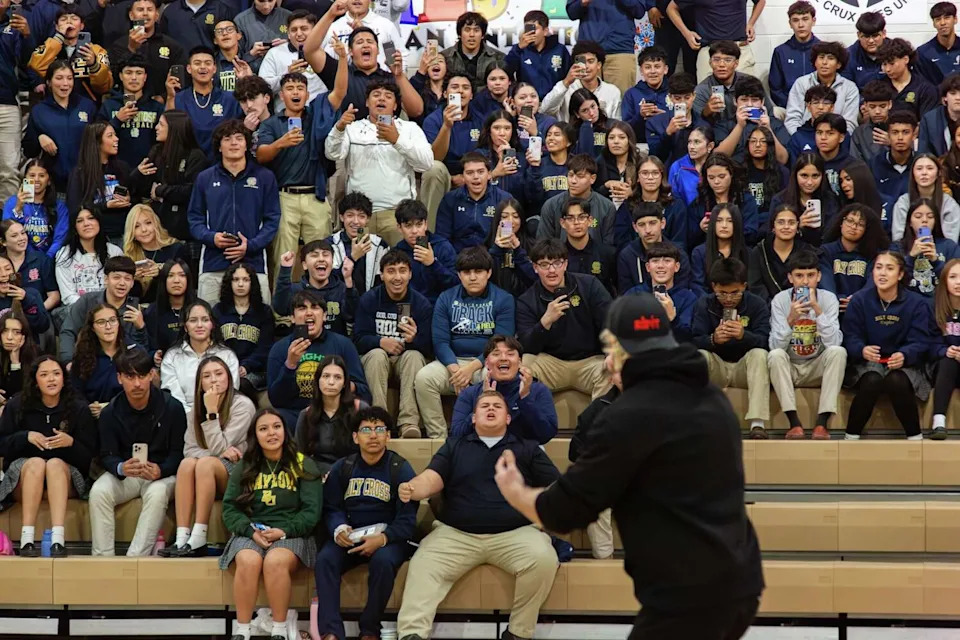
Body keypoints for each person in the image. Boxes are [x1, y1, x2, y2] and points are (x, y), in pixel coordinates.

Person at [492, 294, 764, 639]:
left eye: (610, 348)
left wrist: (517, 492)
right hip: (739, 578)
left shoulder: (628, 415)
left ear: (620, 350)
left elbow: (565, 512)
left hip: (689, 593)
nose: (607, 361)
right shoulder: (711, 399)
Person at [396, 390, 560, 640]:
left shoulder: (527, 448)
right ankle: (412, 634)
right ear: (473, 418)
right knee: (422, 564)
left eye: (497, 406)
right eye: (484, 406)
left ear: (508, 418)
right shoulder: (454, 445)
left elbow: (554, 485)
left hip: (515, 534)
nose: (491, 409)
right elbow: (432, 478)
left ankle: (518, 632)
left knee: (544, 558)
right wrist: (414, 487)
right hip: (456, 535)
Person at [315, 405, 417, 640]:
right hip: (352, 536)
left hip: (388, 539)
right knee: (326, 559)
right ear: (355, 437)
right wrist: (339, 528)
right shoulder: (344, 467)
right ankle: (331, 632)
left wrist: (383, 538)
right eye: (366, 429)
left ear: (388, 435)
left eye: (379, 429)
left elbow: (407, 520)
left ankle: (370, 630)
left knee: (383, 562)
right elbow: (332, 508)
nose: (373, 435)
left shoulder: (400, 468)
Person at [220, 408, 322, 640]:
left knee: (276, 561)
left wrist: (284, 531)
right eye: (263, 429)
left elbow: (311, 512)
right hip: (251, 531)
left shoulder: (303, 464)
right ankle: (242, 630)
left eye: (276, 427)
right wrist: (249, 531)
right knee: (247, 559)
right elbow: (229, 508)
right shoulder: (245, 465)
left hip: (292, 532)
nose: (271, 433)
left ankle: (279, 629)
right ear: (255, 435)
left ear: (285, 431)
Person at [89, 347, 186, 556]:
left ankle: (135, 559)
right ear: (119, 378)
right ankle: (103, 560)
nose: (137, 383)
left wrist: (161, 469)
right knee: (99, 492)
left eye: (142, 375)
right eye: (130, 376)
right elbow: (106, 454)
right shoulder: (110, 412)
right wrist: (121, 467)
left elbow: (179, 454)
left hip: (162, 474)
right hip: (129, 474)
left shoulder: (173, 408)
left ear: (152, 375)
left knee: (157, 493)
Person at [0, 356, 97, 558]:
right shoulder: (18, 405)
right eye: (44, 375)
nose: (51, 379)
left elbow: (90, 457)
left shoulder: (78, 407)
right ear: (35, 380)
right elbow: (3, 445)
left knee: (53, 464)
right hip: (24, 477)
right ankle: (26, 540)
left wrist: (71, 443)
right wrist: (25, 437)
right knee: (36, 463)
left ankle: (57, 540)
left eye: (56, 374)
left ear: (64, 378)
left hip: (64, 476)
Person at [414, 246, 515, 439]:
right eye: (467, 272)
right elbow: (441, 341)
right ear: (459, 275)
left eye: (478, 271)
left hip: (487, 363)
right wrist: (455, 370)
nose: (473, 277)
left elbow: (501, 344)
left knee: (497, 374)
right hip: (452, 363)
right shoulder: (446, 298)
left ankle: (485, 436)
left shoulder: (504, 299)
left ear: (489, 273)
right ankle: (439, 438)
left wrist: (469, 370)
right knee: (424, 378)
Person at [257, 69, 345, 284]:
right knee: (283, 257)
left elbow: (340, 91)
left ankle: (321, 306)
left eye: (300, 88)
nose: (295, 92)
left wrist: (342, 59)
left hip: (315, 195)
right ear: (281, 95)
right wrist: (281, 143)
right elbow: (260, 155)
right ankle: (282, 315)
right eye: (289, 88)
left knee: (322, 257)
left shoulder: (317, 116)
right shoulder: (271, 123)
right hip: (284, 197)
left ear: (307, 94)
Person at [163, 356, 255, 557]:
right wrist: (216, 452)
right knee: (187, 464)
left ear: (229, 378)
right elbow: (190, 450)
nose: (214, 380)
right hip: (206, 469)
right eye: (207, 376)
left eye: (219, 374)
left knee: (204, 464)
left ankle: (199, 537)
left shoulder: (243, 405)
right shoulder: (195, 409)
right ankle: (181, 538)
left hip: (240, 472)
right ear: (200, 383)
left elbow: (221, 445)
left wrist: (212, 413)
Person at [326, 80, 434, 247]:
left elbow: (426, 163)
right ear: (367, 102)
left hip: (396, 216)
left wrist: (397, 140)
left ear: (396, 105)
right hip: (361, 217)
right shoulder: (353, 128)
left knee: (397, 267)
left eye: (388, 96)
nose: (381, 99)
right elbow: (332, 153)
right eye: (376, 95)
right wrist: (339, 127)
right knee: (362, 266)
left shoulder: (409, 129)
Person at [841, 250, 934, 441]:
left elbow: (922, 341)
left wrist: (905, 355)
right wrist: (861, 349)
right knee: (872, 379)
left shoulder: (917, 303)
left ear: (900, 274)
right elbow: (850, 337)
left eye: (889, 268)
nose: (882, 273)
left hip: (904, 364)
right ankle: (850, 438)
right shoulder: (859, 300)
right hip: (867, 363)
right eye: (878, 268)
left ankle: (915, 439)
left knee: (896, 381)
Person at [188, 119, 280, 305]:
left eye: (239, 138)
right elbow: (194, 218)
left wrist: (251, 245)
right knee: (209, 323)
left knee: (258, 325)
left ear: (247, 144)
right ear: (219, 146)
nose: (234, 143)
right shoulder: (205, 178)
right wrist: (211, 237)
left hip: (253, 264)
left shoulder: (265, 177)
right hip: (213, 264)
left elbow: (272, 220)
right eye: (227, 139)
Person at [517, 238, 612, 400]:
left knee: (613, 367)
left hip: (590, 361)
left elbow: (610, 321)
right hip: (551, 363)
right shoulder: (527, 300)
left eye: (557, 263)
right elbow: (526, 346)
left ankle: (598, 424)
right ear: (535, 267)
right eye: (544, 265)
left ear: (566, 264)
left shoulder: (589, 285)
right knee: (524, 366)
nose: (552, 270)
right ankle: (536, 424)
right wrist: (545, 321)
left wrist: (611, 352)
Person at [353, 249, 432, 439]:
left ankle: (408, 423)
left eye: (402, 270)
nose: (397, 277)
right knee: (377, 355)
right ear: (382, 275)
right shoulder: (369, 300)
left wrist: (415, 340)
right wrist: (380, 341)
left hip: (405, 362)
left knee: (413, 356)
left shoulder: (421, 304)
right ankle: (378, 421)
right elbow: (358, 339)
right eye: (391, 271)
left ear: (410, 274)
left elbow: (431, 347)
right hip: (376, 363)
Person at [767, 249, 846, 439]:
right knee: (775, 356)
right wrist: (791, 319)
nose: (805, 281)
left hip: (817, 366)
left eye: (810, 275)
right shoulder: (780, 300)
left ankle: (822, 423)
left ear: (818, 276)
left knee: (838, 352)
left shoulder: (828, 299)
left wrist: (818, 311)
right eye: (799, 276)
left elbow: (835, 342)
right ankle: (794, 423)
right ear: (790, 278)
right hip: (791, 367)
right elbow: (775, 346)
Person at [692, 257, 771, 439]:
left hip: (744, 368)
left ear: (744, 286)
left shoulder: (757, 304)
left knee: (759, 354)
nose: (728, 299)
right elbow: (694, 341)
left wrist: (744, 336)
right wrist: (714, 339)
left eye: (734, 292)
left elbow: (767, 341)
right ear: (713, 287)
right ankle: (700, 421)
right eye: (722, 293)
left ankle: (757, 424)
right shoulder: (704, 304)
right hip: (718, 367)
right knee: (700, 356)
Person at [267, 289, 369, 430]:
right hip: (295, 414)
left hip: (334, 412)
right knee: (276, 419)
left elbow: (364, 392)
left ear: (325, 316)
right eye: (302, 308)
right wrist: (290, 365)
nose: (309, 313)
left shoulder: (343, 344)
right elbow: (276, 400)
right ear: (292, 317)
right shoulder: (280, 348)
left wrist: (341, 384)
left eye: (315, 307)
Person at [302, 5, 424, 123]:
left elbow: (417, 111)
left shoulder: (390, 78)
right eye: (360, 42)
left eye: (370, 41)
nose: (365, 45)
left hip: (385, 138)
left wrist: (399, 76)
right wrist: (330, 14)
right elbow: (309, 50)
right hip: (349, 139)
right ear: (350, 51)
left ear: (378, 50)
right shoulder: (339, 72)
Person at [449, 334, 557, 444]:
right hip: (481, 452)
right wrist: (483, 402)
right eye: (496, 354)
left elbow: (546, 434)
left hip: (523, 454)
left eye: (510, 354)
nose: (503, 358)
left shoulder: (538, 390)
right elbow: (456, 435)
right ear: (486, 363)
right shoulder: (470, 393)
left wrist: (525, 399)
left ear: (519, 362)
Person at [131, 110, 210, 249]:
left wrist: (161, 191)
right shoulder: (156, 152)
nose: (156, 128)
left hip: (185, 233)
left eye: (161, 125)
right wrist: (138, 173)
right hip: (158, 232)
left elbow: (192, 191)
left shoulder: (195, 157)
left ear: (174, 128)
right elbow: (146, 189)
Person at [420, 72, 485, 224]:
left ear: (471, 95)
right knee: (434, 168)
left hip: (472, 174)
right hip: (445, 176)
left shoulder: (481, 120)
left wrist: (467, 176)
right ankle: (428, 233)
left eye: (466, 88)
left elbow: (486, 154)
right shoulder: (433, 120)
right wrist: (446, 126)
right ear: (445, 93)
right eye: (455, 87)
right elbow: (434, 158)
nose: (460, 91)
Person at [23, 62, 96, 193]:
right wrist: (39, 137)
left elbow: (99, 139)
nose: (65, 83)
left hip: (85, 184)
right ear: (49, 82)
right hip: (54, 187)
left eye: (69, 78)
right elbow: (29, 151)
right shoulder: (39, 111)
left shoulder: (87, 106)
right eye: (59, 78)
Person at [59, 256, 147, 363]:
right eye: (116, 277)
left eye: (127, 279)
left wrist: (140, 328)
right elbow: (68, 331)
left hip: (124, 365)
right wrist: (68, 362)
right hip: (90, 361)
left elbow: (142, 350)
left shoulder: (136, 308)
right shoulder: (87, 301)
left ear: (132, 283)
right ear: (106, 279)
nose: (122, 283)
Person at [161, 300, 240, 414]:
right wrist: (192, 418)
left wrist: (211, 413)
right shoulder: (172, 357)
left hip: (220, 415)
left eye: (205, 320)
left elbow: (231, 394)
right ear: (185, 327)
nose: (199, 325)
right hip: (182, 418)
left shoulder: (227, 356)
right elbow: (173, 398)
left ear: (212, 324)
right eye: (193, 320)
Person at [167, 46, 244, 160]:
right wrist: (169, 97)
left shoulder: (230, 99)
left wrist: (246, 80)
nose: (203, 67)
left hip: (222, 164)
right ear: (189, 69)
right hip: (188, 165)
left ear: (214, 68)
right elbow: (169, 133)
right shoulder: (178, 98)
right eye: (197, 63)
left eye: (207, 63)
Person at [214, 263, 276, 399]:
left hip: (255, 371)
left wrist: (246, 366)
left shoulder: (264, 312)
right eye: (236, 280)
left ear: (252, 283)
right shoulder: (219, 311)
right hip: (223, 367)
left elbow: (265, 348)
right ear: (229, 283)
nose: (240, 284)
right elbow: (215, 344)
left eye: (245, 280)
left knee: (241, 384)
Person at [294, 355, 364, 474]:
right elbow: (299, 456)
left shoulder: (359, 410)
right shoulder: (306, 415)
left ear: (344, 383)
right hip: (316, 476)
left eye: (337, 377)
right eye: (326, 376)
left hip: (352, 474)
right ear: (318, 380)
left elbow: (368, 451)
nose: (331, 382)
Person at [28, 8, 112, 102]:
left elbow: (104, 87)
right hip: (54, 107)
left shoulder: (97, 51)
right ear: (56, 26)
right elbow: (35, 66)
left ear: (82, 25)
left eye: (74, 19)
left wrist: (93, 65)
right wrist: (59, 37)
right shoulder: (49, 48)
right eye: (63, 19)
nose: (69, 22)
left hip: (87, 107)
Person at [66, 122, 132, 242]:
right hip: (95, 237)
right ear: (97, 142)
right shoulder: (79, 173)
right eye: (110, 135)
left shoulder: (123, 168)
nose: (116, 139)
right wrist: (105, 205)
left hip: (123, 233)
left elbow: (135, 199)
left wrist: (128, 200)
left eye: (115, 135)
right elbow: (76, 209)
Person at [667, 0, 764, 82]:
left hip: (740, 49)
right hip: (709, 51)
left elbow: (760, 1)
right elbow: (671, 8)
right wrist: (687, 34)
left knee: (747, 96)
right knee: (708, 99)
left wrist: (751, 23)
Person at [274, 240, 356, 337]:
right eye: (314, 255)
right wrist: (285, 270)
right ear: (304, 265)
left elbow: (351, 316)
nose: (321, 259)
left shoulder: (341, 288)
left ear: (332, 262)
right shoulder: (296, 289)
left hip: (334, 347)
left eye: (325, 255)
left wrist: (348, 281)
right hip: (301, 345)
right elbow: (280, 308)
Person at [107, 0, 186, 100]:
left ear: (156, 15)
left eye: (149, 10)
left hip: (161, 106)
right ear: (131, 15)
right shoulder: (119, 45)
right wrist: (131, 49)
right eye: (140, 10)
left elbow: (181, 80)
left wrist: (163, 97)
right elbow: (112, 78)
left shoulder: (171, 46)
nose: (145, 13)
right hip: (127, 105)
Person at [435, 151, 511, 254]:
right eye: (470, 173)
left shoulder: (504, 199)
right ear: (463, 177)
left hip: (492, 258)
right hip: (458, 260)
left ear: (489, 174)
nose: (476, 177)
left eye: (480, 172)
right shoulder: (450, 199)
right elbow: (442, 238)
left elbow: (507, 237)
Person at [96, 55, 163, 168]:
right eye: (128, 72)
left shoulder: (156, 107)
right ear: (121, 76)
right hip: (115, 170)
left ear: (145, 77)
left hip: (149, 169)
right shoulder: (109, 106)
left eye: (139, 73)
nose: (133, 78)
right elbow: (96, 138)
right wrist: (117, 120)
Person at [54, 207, 124, 313]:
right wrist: (95, 311)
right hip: (79, 311)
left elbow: (120, 287)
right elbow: (68, 296)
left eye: (91, 218)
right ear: (74, 227)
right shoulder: (64, 255)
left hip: (111, 310)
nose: (86, 223)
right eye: (80, 221)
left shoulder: (114, 252)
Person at [536, 154, 616, 247]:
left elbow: (608, 247)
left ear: (592, 178)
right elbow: (543, 245)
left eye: (580, 176)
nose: (573, 181)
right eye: (570, 175)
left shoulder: (606, 207)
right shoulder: (551, 205)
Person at [626, 241, 697, 342]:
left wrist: (673, 319)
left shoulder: (688, 298)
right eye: (655, 261)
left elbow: (687, 339)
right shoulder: (633, 295)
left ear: (676, 267)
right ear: (648, 267)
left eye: (667, 261)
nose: (660, 266)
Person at [819, 204, 886, 311]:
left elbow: (872, 283)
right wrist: (835, 299)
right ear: (841, 222)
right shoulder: (826, 251)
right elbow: (825, 281)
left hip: (862, 308)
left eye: (860, 224)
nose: (853, 227)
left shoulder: (873, 255)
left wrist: (857, 300)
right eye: (850, 221)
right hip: (830, 308)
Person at [784, 41, 859, 137]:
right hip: (804, 135)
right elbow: (792, 119)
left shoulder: (850, 88)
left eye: (830, 58)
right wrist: (801, 139)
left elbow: (850, 123)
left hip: (835, 139)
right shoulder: (801, 83)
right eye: (821, 57)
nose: (824, 62)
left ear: (839, 64)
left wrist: (833, 139)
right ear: (815, 62)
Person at [690, 41, 774, 125]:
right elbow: (697, 126)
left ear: (736, 63)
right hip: (716, 134)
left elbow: (770, 114)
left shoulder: (750, 83)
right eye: (716, 60)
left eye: (728, 60)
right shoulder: (701, 90)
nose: (721, 64)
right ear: (710, 63)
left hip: (750, 129)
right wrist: (706, 112)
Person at [714, 76, 790, 167]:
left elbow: (783, 159)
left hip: (767, 174)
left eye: (754, 100)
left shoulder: (775, 124)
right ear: (735, 101)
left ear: (762, 102)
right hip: (736, 174)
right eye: (744, 100)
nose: (749, 104)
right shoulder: (723, 125)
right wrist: (739, 126)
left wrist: (767, 128)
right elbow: (718, 159)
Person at [391, 199, 457, 304]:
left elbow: (456, 284)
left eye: (419, 224)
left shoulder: (442, 246)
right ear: (399, 228)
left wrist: (433, 264)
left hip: (439, 306)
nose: (414, 231)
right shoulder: (396, 252)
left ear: (425, 224)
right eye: (408, 225)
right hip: (408, 307)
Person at [687, 152, 759, 249]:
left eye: (721, 176)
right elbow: (688, 239)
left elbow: (752, 232)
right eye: (711, 178)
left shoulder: (745, 199)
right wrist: (701, 229)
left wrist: (727, 231)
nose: (716, 182)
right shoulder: (698, 203)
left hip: (740, 250)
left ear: (731, 174)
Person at [768, 152, 840, 247]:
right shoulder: (780, 200)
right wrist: (796, 226)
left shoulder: (831, 200)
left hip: (822, 253)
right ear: (795, 175)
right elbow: (770, 235)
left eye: (815, 176)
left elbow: (833, 236)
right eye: (804, 176)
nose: (809, 182)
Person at [618, 201, 690, 294]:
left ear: (663, 223)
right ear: (635, 227)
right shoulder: (627, 255)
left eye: (652, 223)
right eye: (641, 225)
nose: (647, 230)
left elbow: (682, 292)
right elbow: (626, 294)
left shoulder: (678, 254)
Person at [541, 41, 621, 123]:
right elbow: (545, 111)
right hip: (570, 134)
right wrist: (566, 82)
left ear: (599, 65)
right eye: (581, 62)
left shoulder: (612, 91)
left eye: (590, 61)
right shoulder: (565, 88)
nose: (586, 66)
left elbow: (616, 124)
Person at [3, 160, 69, 260]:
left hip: (49, 260)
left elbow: (60, 238)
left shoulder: (59, 206)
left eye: (42, 176)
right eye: (32, 175)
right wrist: (18, 209)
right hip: (20, 258)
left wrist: (45, 259)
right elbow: (9, 233)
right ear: (25, 179)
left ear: (49, 181)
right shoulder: (13, 202)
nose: (36, 179)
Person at [122, 204, 188, 303]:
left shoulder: (176, 249)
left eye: (148, 223)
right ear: (132, 233)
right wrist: (133, 280)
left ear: (156, 224)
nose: (144, 230)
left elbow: (187, 284)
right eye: (137, 226)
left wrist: (161, 273)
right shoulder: (129, 255)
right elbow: (130, 297)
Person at [897, 198, 960, 298]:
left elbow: (955, 280)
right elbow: (894, 279)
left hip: (940, 304)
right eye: (918, 216)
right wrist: (911, 257)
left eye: (930, 217)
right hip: (907, 304)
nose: (924, 220)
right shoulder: (897, 247)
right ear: (910, 222)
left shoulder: (949, 246)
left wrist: (936, 261)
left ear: (935, 221)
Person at [327, 192, 388, 295]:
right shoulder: (330, 244)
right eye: (350, 215)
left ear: (368, 219)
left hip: (369, 303)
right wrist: (353, 257)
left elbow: (382, 282)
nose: (356, 221)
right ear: (342, 217)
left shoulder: (380, 245)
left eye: (361, 216)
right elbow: (330, 280)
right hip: (340, 301)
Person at [69, 304, 126, 414]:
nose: (108, 327)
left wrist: (110, 408)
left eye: (113, 320)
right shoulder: (83, 356)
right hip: (91, 418)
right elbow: (75, 392)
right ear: (92, 328)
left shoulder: (132, 352)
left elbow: (141, 390)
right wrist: (87, 409)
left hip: (126, 416)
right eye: (101, 322)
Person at [891, 154, 960, 243]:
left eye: (930, 168)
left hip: (941, 254)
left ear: (939, 173)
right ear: (912, 173)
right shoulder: (903, 202)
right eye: (919, 169)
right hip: (909, 251)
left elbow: (950, 242)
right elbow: (898, 238)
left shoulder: (949, 204)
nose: (924, 173)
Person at [748, 205, 811, 302]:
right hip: (767, 309)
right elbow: (756, 287)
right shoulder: (760, 251)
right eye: (781, 222)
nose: (786, 227)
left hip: (800, 307)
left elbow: (809, 283)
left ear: (798, 226)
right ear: (773, 226)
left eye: (791, 223)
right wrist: (776, 309)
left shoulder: (806, 251)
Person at [504, 10, 571, 100]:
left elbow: (569, 78)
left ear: (545, 31)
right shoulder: (519, 49)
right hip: (527, 101)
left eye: (534, 29)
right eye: (528, 29)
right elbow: (506, 72)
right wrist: (519, 48)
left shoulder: (560, 50)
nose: (530, 33)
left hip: (555, 102)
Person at [646, 72, 708, 168]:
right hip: (667, 176)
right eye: (677, 98)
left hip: (696, 174)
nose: (683, 103)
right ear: (670, 98)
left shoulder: (704, 125)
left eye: (687, 97)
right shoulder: (655, 123)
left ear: (694, 96)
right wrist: (667, 134)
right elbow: (654, 156)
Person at [869, 110, 919, 228]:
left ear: (914, 135)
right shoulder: (874, 164)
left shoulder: (922, 165)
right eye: (895, 132)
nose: (900, 137)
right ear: (888, 135)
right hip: (882, 227)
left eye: (905, 132)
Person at [321, 0, 402, 73]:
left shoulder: (385, 26)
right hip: (344, 85)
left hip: (380, 84)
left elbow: (393, 60)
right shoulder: (332, 28)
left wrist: (363, 31)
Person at [1, 219, 60, 314]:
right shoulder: (1, 263)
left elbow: (54, 296)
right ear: (3, 242)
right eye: (14, 235)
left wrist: (36, 312)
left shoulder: (41, 259)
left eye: (23, 233)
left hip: (38, 316)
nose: (21, 238)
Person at [435, 11, 503, 93]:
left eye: (476, 30)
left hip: (486, 104)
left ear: (482, 35)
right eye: (467, 30)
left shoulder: (497, 58)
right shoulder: (445, 57)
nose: (471, 34)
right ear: (460, 34)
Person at [769, 1, 820, 109]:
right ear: (790, 24)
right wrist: (793, 105)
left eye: (805, 19)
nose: (801, 25)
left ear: (813, 21)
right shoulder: (780, 51)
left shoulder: (824, 51)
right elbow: (775, 89)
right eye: (796, 20)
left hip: (820, 107)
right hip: (789, 107)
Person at [561, 198, 618, 295]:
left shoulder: (607, 254)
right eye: (570, 218)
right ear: (562, 223)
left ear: (590, 221)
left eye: (581, 217)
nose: (576, 222)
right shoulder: (558, 256)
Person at [690, 203, 749, 296]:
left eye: (730, 221)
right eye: (719, 220)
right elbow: (698, 285)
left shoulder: (747, 253)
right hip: (708, 305)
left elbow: (750, 286)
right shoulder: (699, 252)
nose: (724, 225)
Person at [930, 258, 960, 438]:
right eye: (953, 277)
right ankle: (938, 422)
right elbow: (927, 343)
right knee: (948, 362)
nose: (958, 282)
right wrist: (944, 351)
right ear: (944, 281)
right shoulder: (933, 307)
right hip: (941, 368)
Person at [144, 259, 196, 361]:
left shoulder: (200, 308)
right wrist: (153, 355)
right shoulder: (152, 311)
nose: (176, 280)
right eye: (170, 275)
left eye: (182, 275)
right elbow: (147, 346)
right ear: (164, 280)